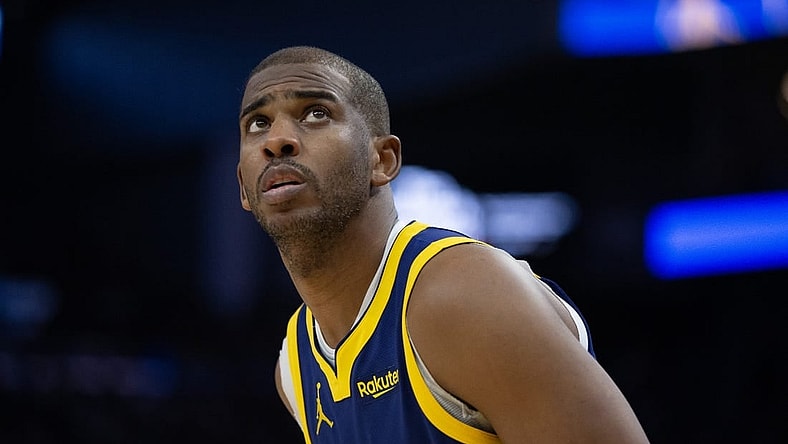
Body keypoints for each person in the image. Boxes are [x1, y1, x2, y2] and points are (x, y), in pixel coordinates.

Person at [236, 45, 650, 443]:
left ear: (382, 161)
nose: (278, 140)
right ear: (243, 186)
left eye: (315, 113)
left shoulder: (461, 294)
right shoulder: (294, 368)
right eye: (259, 123)